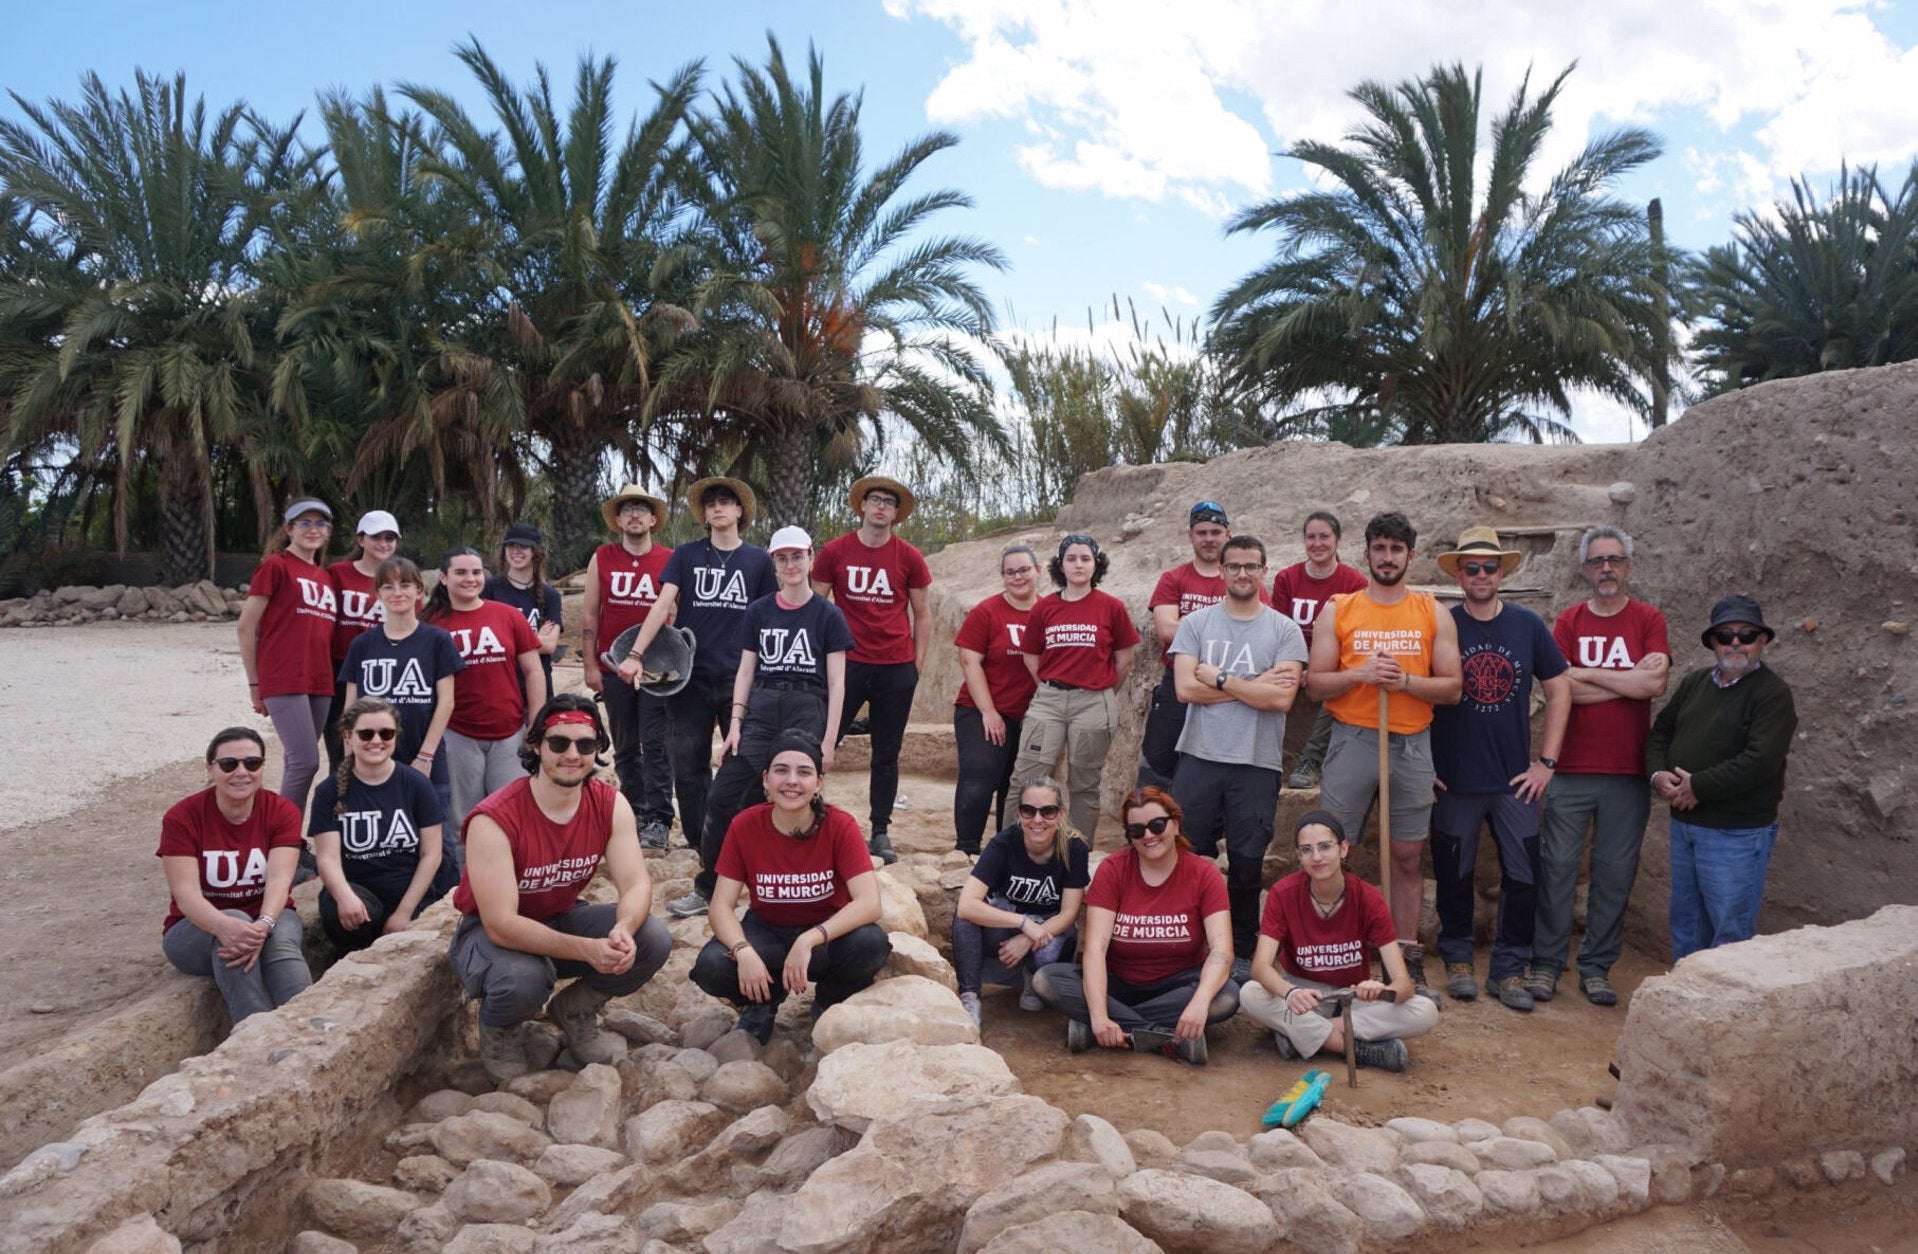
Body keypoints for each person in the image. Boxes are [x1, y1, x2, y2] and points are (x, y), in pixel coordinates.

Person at [449, 694, 674, 1081]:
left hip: (561, 915)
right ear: (536, 744)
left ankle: (575, 1009)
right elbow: (501, 923)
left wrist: (623, 928)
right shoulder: (494, 818)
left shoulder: (608, 803)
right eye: (559, 743)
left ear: (597, 750)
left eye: (585, 745)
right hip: (488, 933)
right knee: (523, 978)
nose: (572, 754)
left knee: (651, 937)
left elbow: (636, 881)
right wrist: (587, 949)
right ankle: (501, 1029)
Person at [1306, 511, 1461, 993]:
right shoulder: (1341, 608)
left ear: (1410, 556)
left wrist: (1406, 681)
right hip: (1353, 737)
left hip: (1412, 742)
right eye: (1380, 548)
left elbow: (1453, 688)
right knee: (1332, 850)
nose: (1388, 557)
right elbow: (1315, 684)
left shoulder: (1432, 611)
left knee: (1407, 856)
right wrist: (1360, 675)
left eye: (1397, 549)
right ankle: (1337, 950)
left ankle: (1405, 954)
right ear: (1367, 553)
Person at [672, 526, 854, 919]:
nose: (790, 565)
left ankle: (803, 883)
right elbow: (745, 671)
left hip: (808, 703)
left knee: (799, 794)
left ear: (810, 557)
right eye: (782, 558)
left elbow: (838, 681)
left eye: (797, 556)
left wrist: (828, 741)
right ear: (773, 563)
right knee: (723, 797)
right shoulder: (758, 611)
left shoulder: (828, 614)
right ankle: (710, 887)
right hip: (763, 704)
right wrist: (735, 724)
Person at [1428, 527, 1569, 1012]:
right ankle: (1458, 958)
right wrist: (1422, 761)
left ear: (1503, 572)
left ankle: (1510, 968)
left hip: (1515, 782)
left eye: (1490, 567)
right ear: (1460, 574)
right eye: (1473, 567)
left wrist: (1546, 762)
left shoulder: (1527, 625)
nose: (1482, 575)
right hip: (1455, 778)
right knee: (1452, 871)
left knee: (1524, 875)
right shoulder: (1443, 624)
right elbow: (1420, 693)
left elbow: (1560, 688)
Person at [1532, 526, 1670, 1006]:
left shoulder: (1648, 619)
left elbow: (1654, 686)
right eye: (1597, 561)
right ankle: (1547, 964)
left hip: (1627, 772)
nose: (1606, 568)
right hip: (1570, 768)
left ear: (1628, 565)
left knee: (1614, 873)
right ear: (1584, 568)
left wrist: (1586, 675)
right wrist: (1626, 679)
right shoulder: (1569, 621)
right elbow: (1560, 689)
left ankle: (1596, 966)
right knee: (1557, 869)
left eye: (1614, 560)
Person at [1167, 535, 1309, 979]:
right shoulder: (1197, 624)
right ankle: (1192, 944)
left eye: (1251, 566)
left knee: (1247, 862)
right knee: (1189, 853)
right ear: (1222, 571)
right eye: (1234, 566)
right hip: (1200, 755)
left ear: (1265, 570)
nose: (1243, 574)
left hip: (1256, 762)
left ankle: (1244, 952)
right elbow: (1185, 689)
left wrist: (1224, 678)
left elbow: (1282, 702)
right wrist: (1255, 685)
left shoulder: (1284, 630)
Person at [689, 731, 890, 1043]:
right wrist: (743, 952)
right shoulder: (745, 825)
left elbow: (869, 902)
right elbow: (720, 906)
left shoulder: (839, 824)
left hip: (825, 937)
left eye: (804, 772)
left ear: (819, 783)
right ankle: (761, 1002)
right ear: (766, 779)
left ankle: (830, 998)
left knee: (870, 942)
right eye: (781, 770)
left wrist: (810, 939)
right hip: (768, 932)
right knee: (713, 965)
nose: (792, 781)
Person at [616, 477, 777, 863]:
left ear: (740, 511)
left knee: (749, 763)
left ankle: (748, 839)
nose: (717, 508)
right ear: (704, 514)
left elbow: (770, 618)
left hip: (741, 678)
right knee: (688, 765)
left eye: (725, 502)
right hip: (690, 678)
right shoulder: (687, 555)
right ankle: (701, 843)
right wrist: (636, 654)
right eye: (711, 504)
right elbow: (661, 605)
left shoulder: (757, 561)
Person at [1032, 787, 1237, 1065]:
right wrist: (1098, 1014)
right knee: (1047, 980)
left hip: (1178, 984)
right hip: (1118, 983)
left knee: (1227, 996)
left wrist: (1200, 1001)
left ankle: (1106, 1031)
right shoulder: (1113, 870)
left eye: (1157, 825)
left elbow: (1222, 951)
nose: (1149, 836)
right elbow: (1094, 949)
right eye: (1137, 831)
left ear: (1175, 824)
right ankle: (1166, 1039)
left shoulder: (1204, 874)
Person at [1647, 595, 1797, 961]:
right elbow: (1659, 734)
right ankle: (1686, 1000)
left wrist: (1698, 786)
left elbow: (1760, 761)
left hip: (1736, 834)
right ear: (1712, 642)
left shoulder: (1772, 694)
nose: (1735, 643)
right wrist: (1658, 775)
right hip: (1686, 827)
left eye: (1746, 634)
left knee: (1729, 930)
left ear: (1762, 640)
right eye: (1724, 635)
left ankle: (1724, 1013)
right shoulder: (1695, 683)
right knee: (1687, 922)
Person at [1239, 812, 1438, 1071]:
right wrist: (1290, 993)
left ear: (1343, 849)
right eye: (1307, 850)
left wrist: (1379, 990)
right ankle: (1352, 1048)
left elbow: (1404, 984)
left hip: (1353, 995)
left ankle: (1299, 1035)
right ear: (1299, 856)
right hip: (1304, 995)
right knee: (1250, 994)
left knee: (1424, 1011)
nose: (1317, 857)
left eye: (1325, 847)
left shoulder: (1368, 898)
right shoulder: (1283, 894)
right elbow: (1261, 966)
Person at [813, 475, 933, 866]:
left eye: (888, 502)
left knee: (887, 753)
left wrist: (916, 663)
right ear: (862, 506)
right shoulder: (835, 551)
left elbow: (922, 614)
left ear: (896, 514)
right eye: (874, 500)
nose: (881, 506)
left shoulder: (909, 557)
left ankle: (879, 830)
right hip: (846, 663)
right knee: (821, 742)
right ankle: (811, 814)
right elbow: (817, 607)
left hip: (895, 666)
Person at [158, 727, 313, 1024]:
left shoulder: (281, 811)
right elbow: (186, 894)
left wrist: (264, 925)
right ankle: (255, 1030)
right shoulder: (182, 817)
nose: (241, 772)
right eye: (229, 764)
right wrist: (224, 926)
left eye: (252, 763)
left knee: (279, 943)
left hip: (270, 915)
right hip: (194, 930)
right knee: (234, 926)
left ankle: (305, 1024)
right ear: (210, 768)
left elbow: (281, 879)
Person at [1012, 534, 1142, 839]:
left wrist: (1102, 692)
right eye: (1071, 558)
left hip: (1094, 702)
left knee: (1083, 783)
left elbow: (1124, 659)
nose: (1079, 564)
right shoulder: (1044, 609)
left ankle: (1077, 850)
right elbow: (1031, 654)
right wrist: (1047, 686)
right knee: (1027, 777)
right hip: (1050, 701)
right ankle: (1016, 845)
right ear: (1060, 565)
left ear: (1096, 563)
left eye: (1085, 558)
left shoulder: (1111, 607)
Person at [310, 697, 457, 951]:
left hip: (409, 891)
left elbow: (431, 854)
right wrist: (345, 897)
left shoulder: (416, 784)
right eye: (366, 734)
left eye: (385, 733)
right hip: (357, 891)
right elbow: (327, 858)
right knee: (346, 916)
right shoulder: (329, 791)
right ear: (348, 737)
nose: (376, 741)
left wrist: (404, 912)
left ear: (395, 736)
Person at [425, 547, 547, 849]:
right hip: (456, 732)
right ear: (443, 577)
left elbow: (533, 671)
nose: (470, 578)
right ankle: (464, 885)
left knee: (511, 813)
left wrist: (537, 722)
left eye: (477, 572)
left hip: (509, 731)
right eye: (461, 572)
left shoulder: (507, 616)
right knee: (461, 819)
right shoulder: (429, 624)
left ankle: (513, 879)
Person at [580, 485, 676, 849]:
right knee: (624, 742)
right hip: (613, 665)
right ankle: (634, 809)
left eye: (641, 509)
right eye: (627, 510)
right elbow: (590, 612)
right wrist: (590, 665)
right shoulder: (602, 557)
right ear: (618, 520)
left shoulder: (670, 558)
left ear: (653, 519)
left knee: (656, 742)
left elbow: (677, 614)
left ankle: (659, 816)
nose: (634, 514)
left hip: (658, 668)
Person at [952, 776, 1090, 1027]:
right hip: (1009, 928)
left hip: (1048, 932)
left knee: (1050, 950)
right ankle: (969, 997)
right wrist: (1024, 923)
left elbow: (1069, 913)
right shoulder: (1004, 843)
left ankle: (1032, 978)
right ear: (1019, 812)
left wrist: (1029, 937)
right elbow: (967, 904)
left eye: (1047, 811)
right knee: (963, 920)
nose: (1037, 820)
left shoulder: (1074, 848)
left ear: (1060, 813)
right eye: (1029, 811)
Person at [236, 497, 340, 816]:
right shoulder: (276, 566)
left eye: (320, 523)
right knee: (304, 761)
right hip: (285, 678)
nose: (313, 529)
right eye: (304, 523)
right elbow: (246, 626)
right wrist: (256, 684)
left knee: (302, 761)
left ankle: (285, 832)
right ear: (288, 528)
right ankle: (285, 838)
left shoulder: (324, 577)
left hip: (320, 681)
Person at [341, 557, 463, 818]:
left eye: (405, 585)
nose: (397, 593)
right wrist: (350, 756)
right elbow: (350, 708)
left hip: (424, 758)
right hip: (372, 759)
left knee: (436, 841)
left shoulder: (437, 640)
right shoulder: (362, 645)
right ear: (378, 595)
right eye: (388, 587)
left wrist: (425, 757)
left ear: (419, 591)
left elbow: (446, 702)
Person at [952, 543, 1042, 855]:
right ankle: (966, 851)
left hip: (1030, 716)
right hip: (980, 709)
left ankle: (1009, 849)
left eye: (1024, 570)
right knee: (980, 776)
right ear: (1003, 577)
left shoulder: (1048, 612)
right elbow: (969, 661)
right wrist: (989, 712)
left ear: (1038, 571)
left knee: (1016, 786)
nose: (1018, 577)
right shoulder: (987, 612)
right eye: (1010, 572)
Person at [1138, 501, 1232, 786]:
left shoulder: (1240, 578)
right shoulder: (1173, 578)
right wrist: (1224, 634)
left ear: (1228, 534)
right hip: (1176, 682)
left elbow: (1255, 630)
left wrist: (1189, 628)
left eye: (1215, 531)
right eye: (1201, 532)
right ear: (1190, 535)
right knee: (1157, 766)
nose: (1209, 539)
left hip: (1225, 681)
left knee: (1217, 769)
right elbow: (1167, 630)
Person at [1274, 511, 1369, 789]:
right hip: (1292, 660)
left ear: (1337, 540)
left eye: (1324, 536)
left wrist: (1317, 670)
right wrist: (1299, 666)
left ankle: (1311, 759)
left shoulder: (1354, 583)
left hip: (1331, 663)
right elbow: (1277, 629)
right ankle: (1265, 755)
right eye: (1311, 537)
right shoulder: (1287, 579)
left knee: (1344, 683)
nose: (1317, 543)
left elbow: (1353, 638)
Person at [325, 510, 403, 772]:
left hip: (383, 670)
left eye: (390, 537)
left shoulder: (399, 579)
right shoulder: (337, 574)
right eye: (376, 536)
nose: (383, 543)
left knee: (381, 742)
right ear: (360, 540)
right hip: (339, 670)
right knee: (342, 746)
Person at [483, 522, 564, 699]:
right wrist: (535, 640)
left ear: (535, 552)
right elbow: (488, 644)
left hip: (538, 688)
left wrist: (507, 642)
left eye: (523, 546)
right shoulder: (489, 589)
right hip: (499, 687)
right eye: (511, 546)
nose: (516, 552)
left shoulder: (550, 595)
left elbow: (549, 645)